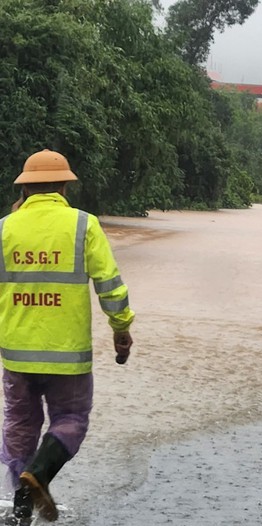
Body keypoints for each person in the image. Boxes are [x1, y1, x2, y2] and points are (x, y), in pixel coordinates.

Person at [0, 149, 135, 524]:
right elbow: (109, 285)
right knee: (71, 417)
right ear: (63, 186)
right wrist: (121, 328)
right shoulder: (83, 225)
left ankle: (21, 508)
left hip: (16, 355)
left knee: (20, 427)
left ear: (25, 188)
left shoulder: (4, 228)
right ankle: (38, 475)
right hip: (68, 355)